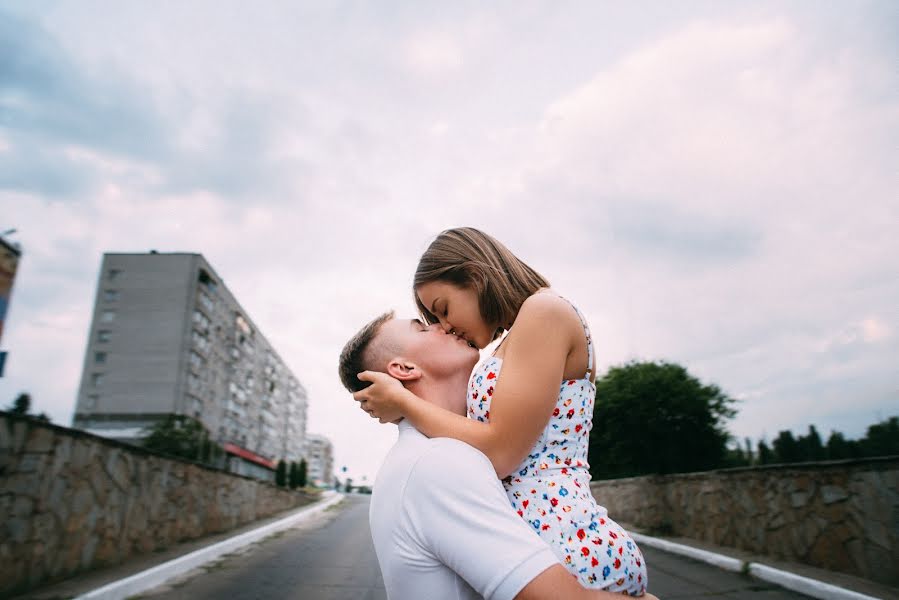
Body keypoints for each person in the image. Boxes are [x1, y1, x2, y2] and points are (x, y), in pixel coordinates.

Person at [353, 228, 648, 595]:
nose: (445, 326)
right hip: (548, 538)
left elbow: (501, 453)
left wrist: (403, 402)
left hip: (568, 542)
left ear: (475, 277)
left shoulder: (543, 312)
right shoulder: (524, 329)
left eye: (443, 310)